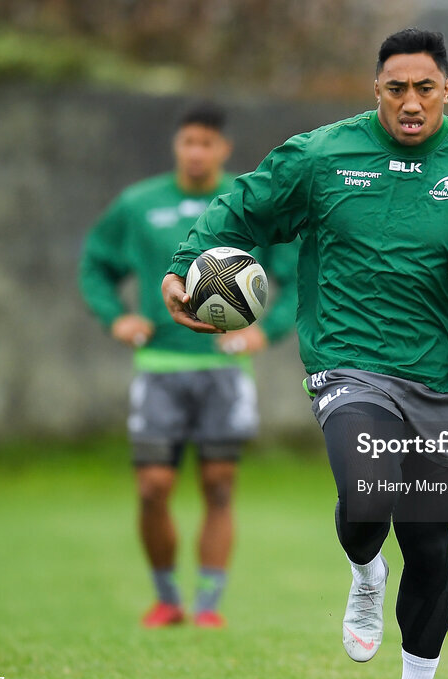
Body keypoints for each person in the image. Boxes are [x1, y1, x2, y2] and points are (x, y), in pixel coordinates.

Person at [162, 29, 448, 679]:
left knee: (429, 544)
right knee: (368, 498)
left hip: (439, 374)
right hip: (349, 363)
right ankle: (366, 569)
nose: (409, 101)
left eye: (424, 88)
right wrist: (184, 261)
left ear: (447, 91)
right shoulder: (322, 155)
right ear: (376, 90)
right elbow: (243, 206)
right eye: (395, 88)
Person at [79, 102, 298, 629]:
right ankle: (165, 597)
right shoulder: (139, 204)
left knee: (219, 484)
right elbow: (95, 264)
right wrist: (117, 318)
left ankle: (208, 605)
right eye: (188, 142)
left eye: (207, 143)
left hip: (222, 371)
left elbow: (296, 276)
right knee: (153, 485)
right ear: (177, 146)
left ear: (223, 149)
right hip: (159, 367)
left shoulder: (249, 205)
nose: (196, 152)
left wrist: (263, 331)